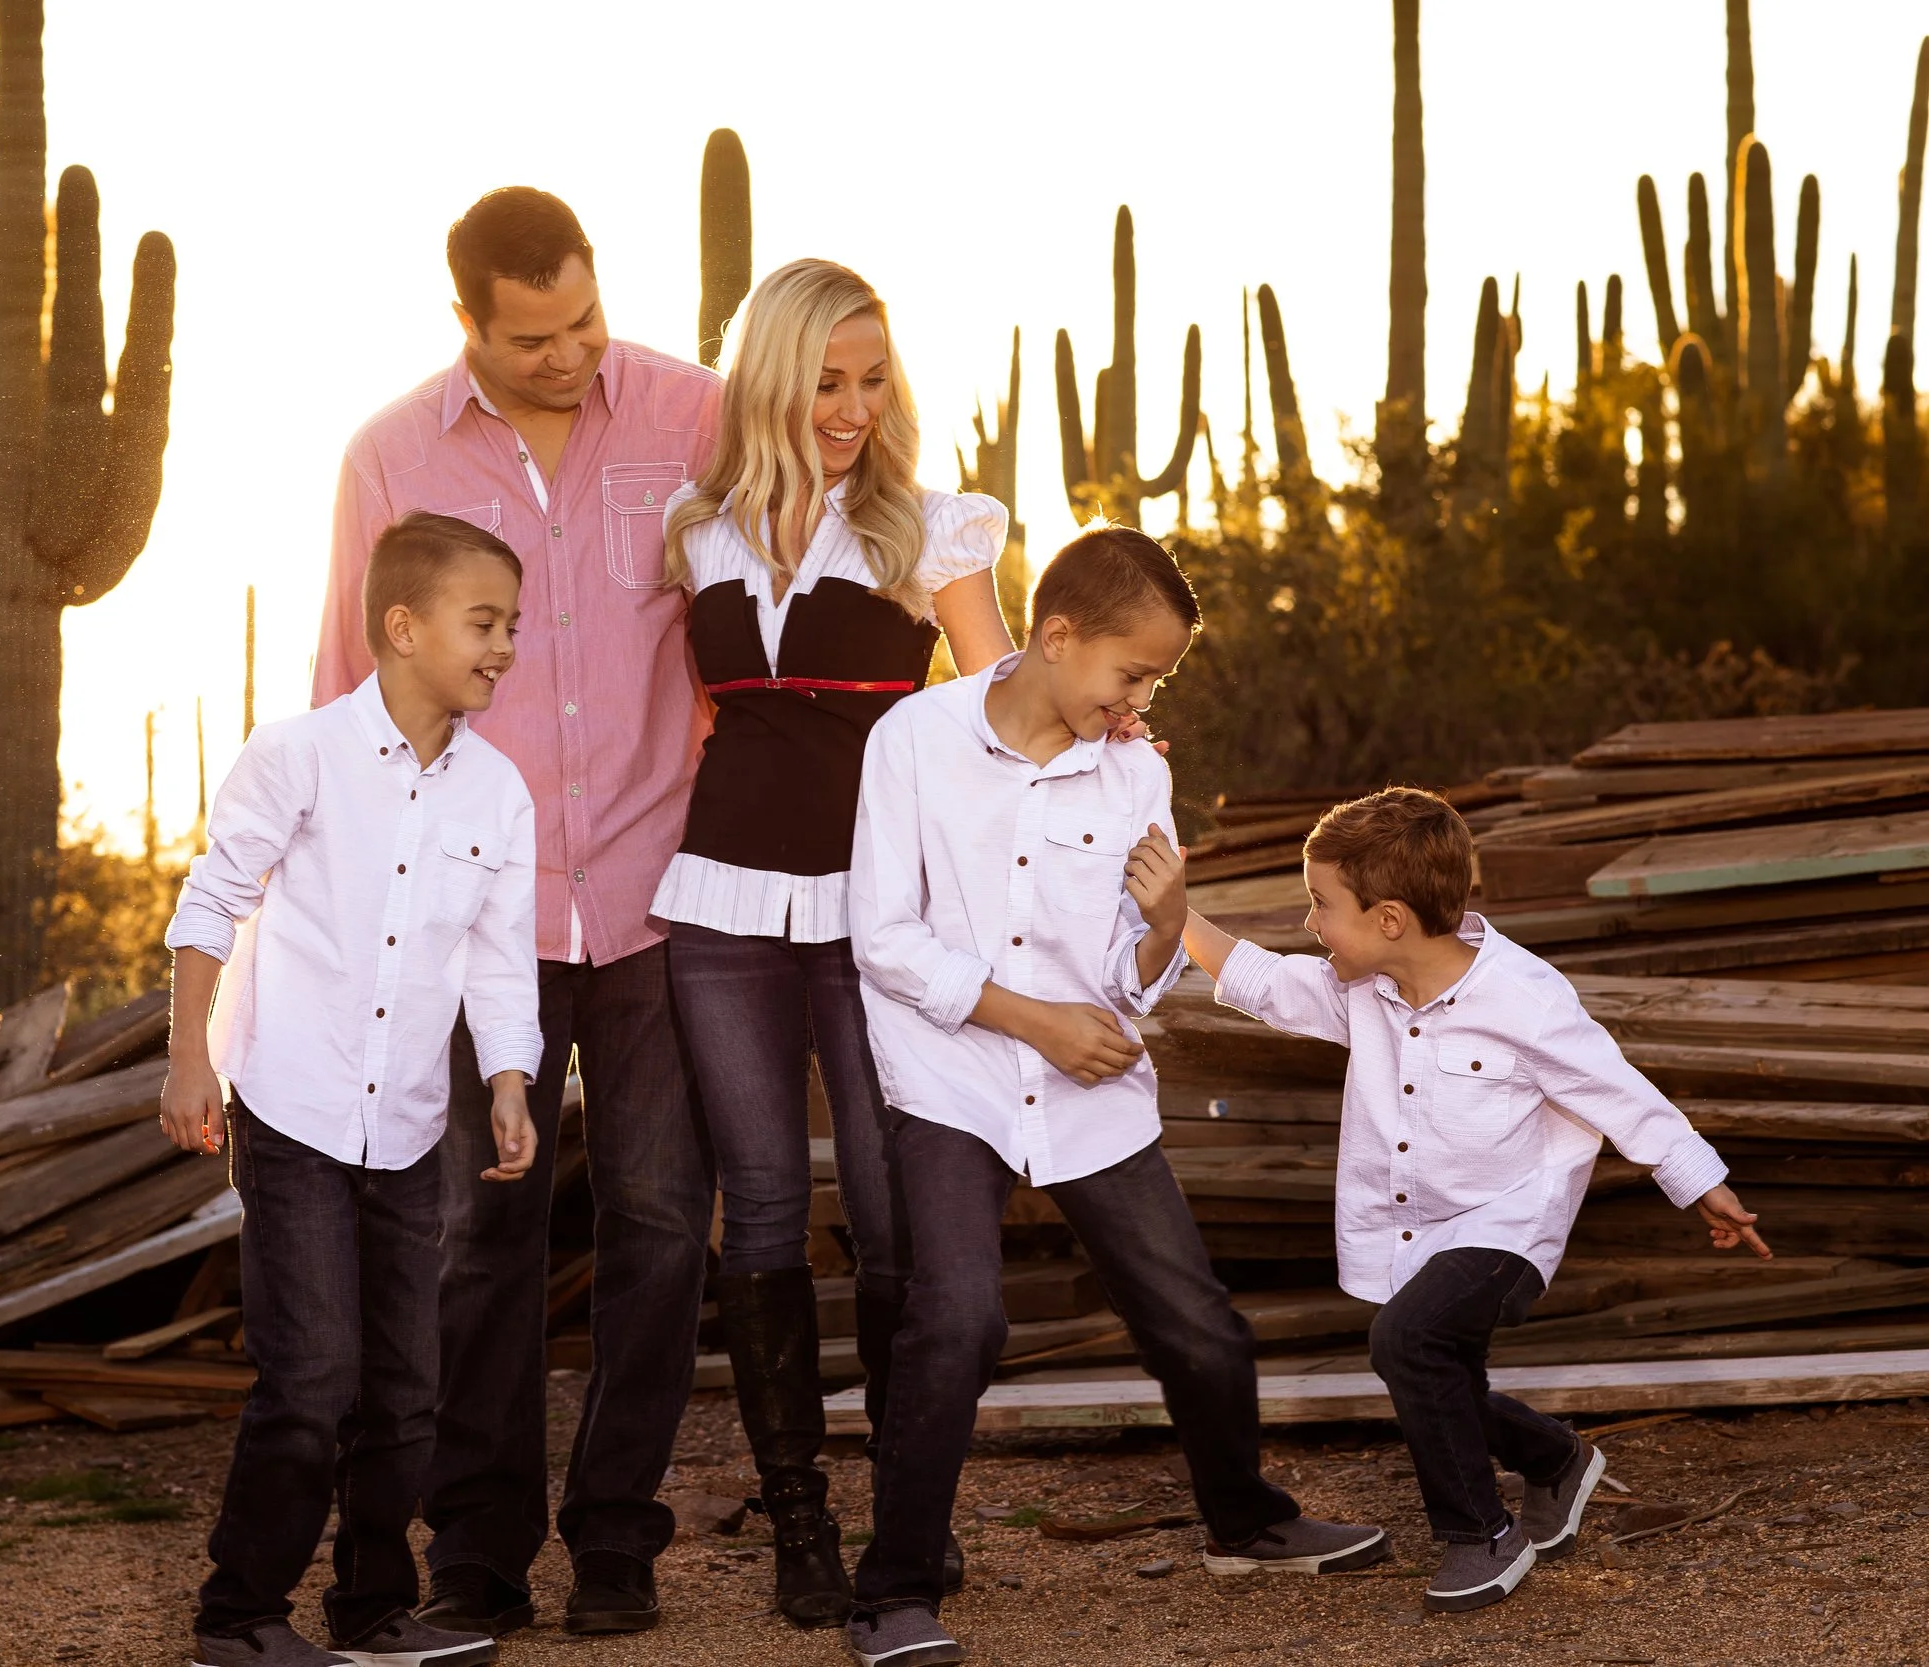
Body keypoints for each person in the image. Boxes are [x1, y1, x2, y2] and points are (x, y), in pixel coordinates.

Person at [846, 527, 1388, 1667]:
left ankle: (1244, 1521)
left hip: (1090, 1082)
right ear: (1056, 635)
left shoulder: (1136, 768)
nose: (1138, 699)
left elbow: (1123, 977)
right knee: (957, 1317)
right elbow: (884, 937)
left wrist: (1158, 923)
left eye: (1154, 681)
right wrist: (1032, 1019)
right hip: (954, 1072)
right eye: (1129, 674)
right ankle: (893, 1588)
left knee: (1195, 1322)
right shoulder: (913, 739)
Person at [309, 188, 723, 1638]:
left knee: (666, 1221)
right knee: (479, 1234)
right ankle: (475, 1549)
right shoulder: (391, 457)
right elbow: (344, 696)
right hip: (478, 916)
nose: (569, 355)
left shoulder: (698, 416)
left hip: (671, 891)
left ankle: (617, 1534)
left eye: (585, 322)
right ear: (470, 322)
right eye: (533, 336)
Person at [653, 258, 1015, 1626]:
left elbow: (1000, 712)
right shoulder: (697, 529)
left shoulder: (932, 530)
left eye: (872, 379)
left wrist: (1109, 736)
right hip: (724, 905)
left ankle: (906, 1509)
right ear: (769, 379)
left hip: (882, 915)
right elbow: (690, 723)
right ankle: (800, 1523)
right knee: (756, 1205)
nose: (853, 407)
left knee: (888, 1209)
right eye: (826, 380)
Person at [1183, 787, 1769, 1615]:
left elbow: (1617, 1091)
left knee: (1406, 1338)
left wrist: (1699, 1181)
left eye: (1321, 904)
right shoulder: (1364, 987)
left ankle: (1479, 1533)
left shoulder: (1523, 995)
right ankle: (1557, 1458)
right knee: (1439, 1372)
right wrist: (1175, 912)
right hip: (1417, 1230)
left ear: (1389, 917)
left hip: (1509, 1222)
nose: (1310, 922)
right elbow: (1268, 983)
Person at [163, 514, 543, 1667]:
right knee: (313, 1371)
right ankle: (238, 1613)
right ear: (401, 625)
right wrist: (189, 1057)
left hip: (410, 1125)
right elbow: (211, 900)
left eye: (512, 627)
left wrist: (512, 1083)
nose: (503, 648)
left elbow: (497, 954)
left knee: (405, 1384)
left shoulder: (499, 791)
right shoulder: (299, 753)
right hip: (293, 1107)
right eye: (484, 624)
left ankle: (376, 1610)